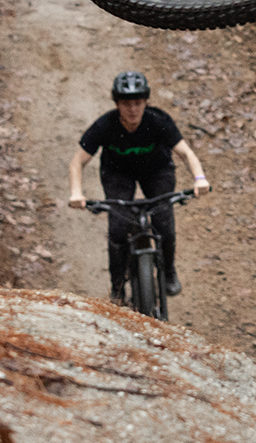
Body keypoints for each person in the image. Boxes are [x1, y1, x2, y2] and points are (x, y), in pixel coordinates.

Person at [67, 70, 209, 301]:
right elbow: (77, 162)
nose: (132, 109)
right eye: (126, 103)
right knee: (118, 229)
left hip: (157, 171)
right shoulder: (105, 125)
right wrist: (76, 192)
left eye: (138, 103)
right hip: (118, 174)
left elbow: (185, 152)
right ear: (117, 104)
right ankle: (117, 287)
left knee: (164, 223)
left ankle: (169, 271)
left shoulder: (158, 120)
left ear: (146, 102)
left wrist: (199, 177)